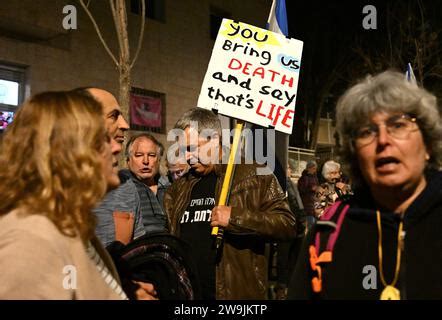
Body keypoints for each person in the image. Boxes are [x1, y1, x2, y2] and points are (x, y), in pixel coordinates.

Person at [289, 70, 442, 299]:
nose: (383, 140)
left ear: (428, 144)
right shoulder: (328, 232)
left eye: (398, 125)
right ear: (354, 154)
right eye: (367, 132)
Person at [0, 91, 126, 299]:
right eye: (104, 138)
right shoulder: (31, 242)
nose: (116, 147)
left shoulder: (67, 225)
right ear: (70, 151)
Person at [164, 108, 296, 300]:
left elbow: (288, 224)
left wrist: (235, 218)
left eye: (192, 148)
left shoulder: (255, 175)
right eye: (183, 151)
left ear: (214, 139)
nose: (187, 157)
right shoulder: (177, 189)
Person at [118, 133, 169, 234]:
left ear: (158, 160)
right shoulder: (121, 188)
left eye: (151, 155)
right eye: (139, 155)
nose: (146, 161)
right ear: (128, 160)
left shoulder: (171, 188)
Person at [297, 160, 319, 228]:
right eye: (313, 168)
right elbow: (301, 190)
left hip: (314, 202)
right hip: (307, 203)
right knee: (310, 224)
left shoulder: (315, 177)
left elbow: (316, 186)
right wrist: (311, 189)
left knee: (315, 223)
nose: (314, 170)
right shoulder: (303, 178)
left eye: (315, 169)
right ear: (309, 168)